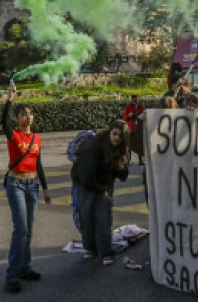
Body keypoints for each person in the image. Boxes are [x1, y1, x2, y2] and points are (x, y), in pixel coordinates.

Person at [2, 82, 51, 294]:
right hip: (16, 185)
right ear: (17, 119)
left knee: (28, 231)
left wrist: (46, 188)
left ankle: (25, 267)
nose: (27, 117)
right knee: (20, 229)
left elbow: (38, 163)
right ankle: (12, 275)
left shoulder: (36, 138)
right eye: (23, 114)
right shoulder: (14, 136)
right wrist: (10, 98)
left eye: (30, 114)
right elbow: (2, 123)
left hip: (33, 185)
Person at [71, 119, 130, 266]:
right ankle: (90, 248)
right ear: (110, 132)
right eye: (114, 134)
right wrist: (100, 190)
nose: (117, 138)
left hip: (105, 182)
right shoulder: (96, 145)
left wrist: (122, 167)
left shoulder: (122, 149)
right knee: (87, 215)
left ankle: (105, 252)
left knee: (103, 217)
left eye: (120, 136)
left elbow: (122, 177)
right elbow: (86, 173)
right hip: (85, 182)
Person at [122, 95, 146, 165]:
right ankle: (129, 161)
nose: (135, 101)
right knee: (129, 145)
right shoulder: (128, 107)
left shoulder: (141, 106)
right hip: (131, 128)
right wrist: (129, 116)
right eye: (133, 100)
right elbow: (124, 117)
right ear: (131, 100)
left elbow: (145, 113)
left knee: (139, 144)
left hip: (139, 128)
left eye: (136, 99)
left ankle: (140, 160)